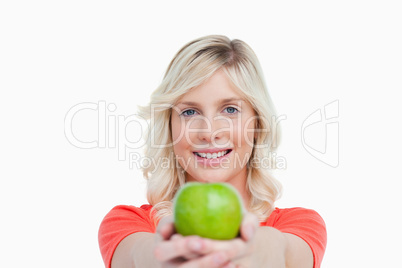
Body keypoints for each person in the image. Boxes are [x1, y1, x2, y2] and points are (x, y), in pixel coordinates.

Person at [98, 35, 327, 268]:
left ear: (258, 123)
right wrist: (163, 255)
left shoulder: (300, 224)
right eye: (189, 112)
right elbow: (138, 254)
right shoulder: (128, 223)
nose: (209, 132)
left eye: (230, 109)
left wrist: (266, 247)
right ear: (169, 127)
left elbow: (285, 250)